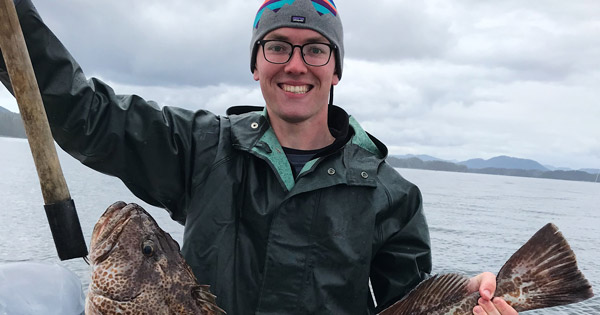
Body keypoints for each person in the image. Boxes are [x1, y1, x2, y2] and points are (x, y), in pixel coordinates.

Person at [1, 0, 518, 314]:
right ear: (256, 64)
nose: (296, 65)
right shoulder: (202, 147)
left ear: (336, 69)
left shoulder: (393, 197)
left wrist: (464, 300)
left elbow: (408, 306)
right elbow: (87, 114)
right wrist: (10, 21)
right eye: (277, 47)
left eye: (315, 49)